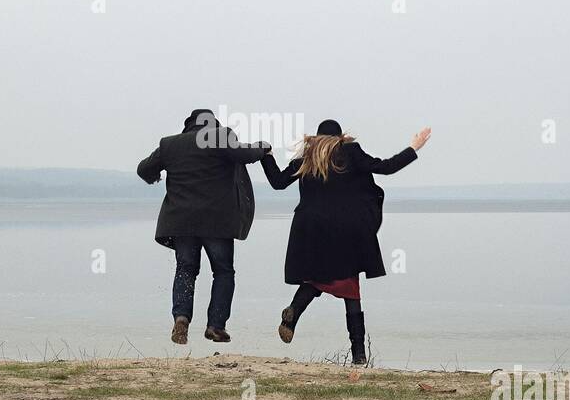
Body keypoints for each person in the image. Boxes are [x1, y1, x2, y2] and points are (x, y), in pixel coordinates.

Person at [261, 120, 430, 365]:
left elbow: (277, 182)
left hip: (310, 229)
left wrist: (266, 156)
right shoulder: (350, 152)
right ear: (341, 136)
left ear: (317, 137)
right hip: (345, 230)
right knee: (350, 288)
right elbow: (386, 167)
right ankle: (359, 355)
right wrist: (413, 147)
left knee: (318, 279)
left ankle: (294, 312)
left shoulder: (306, 158)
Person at [137, 109, 270, 345]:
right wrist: (263, 147)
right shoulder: (220, 137)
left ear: (188, 125)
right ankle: (216, 326)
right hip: (217, 222)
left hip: (180, 222)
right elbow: (246, 154)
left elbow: (144, 169)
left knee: (185, 269)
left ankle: (181, 318)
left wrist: (155, 176)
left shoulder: (170, 145)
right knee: (223, 271)